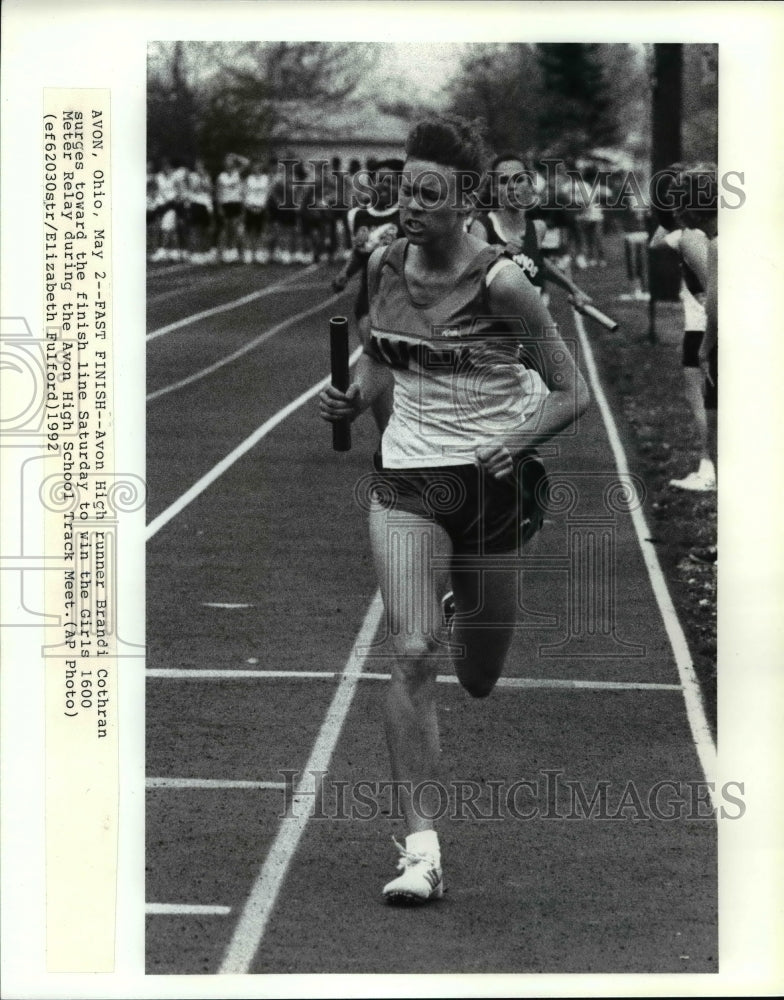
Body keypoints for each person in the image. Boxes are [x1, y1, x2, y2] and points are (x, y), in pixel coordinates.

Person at [320, 114, 590, 905]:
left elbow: (571, 391)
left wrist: (517, 436)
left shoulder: (505, 283)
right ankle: (421, 851)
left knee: (477, 674)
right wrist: (350, 398)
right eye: (404, 189)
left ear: (466, 201)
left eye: (427, 194)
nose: (409, 206)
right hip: (407, 478)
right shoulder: (381, 265)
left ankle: (457, 602)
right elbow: (378, 362)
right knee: (410, 651)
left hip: (490, 487)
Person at [650, 163, 716, 491]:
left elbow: (655, 242)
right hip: (705, 324)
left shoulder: (688, 237)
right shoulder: (701, 234)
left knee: (702, 402)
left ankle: (710, 468)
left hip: (702, 326)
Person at [331, 158, 405, 433]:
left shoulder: (408, 215)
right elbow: (360, 255)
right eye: (380, 180)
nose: (384, 186)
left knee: (403, 368)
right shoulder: (358, 216)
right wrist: (344, 274)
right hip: (370, 299)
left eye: (391, 180)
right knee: (375, 358)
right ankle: (386, 431)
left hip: (405, 301)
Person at [482, 152, 594, 311]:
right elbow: (469, 277)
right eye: (503, 181)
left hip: (531, 325)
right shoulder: (483, 226)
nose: (512, 187)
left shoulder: (537, 228)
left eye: (519, 180)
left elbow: (538, 261)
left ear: (530, 186)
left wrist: (574, 290)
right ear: (494, 190)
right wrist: (499, 256)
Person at [242, 158, 272, 264]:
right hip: (250, 207)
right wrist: (249, 207)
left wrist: (262, 207)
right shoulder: (248, 179)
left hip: (261, 208)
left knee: (261, 231)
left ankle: (259, 252)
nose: (257, 168)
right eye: (255, 166)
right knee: (249, 231)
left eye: (259, 166)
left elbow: (268, 194)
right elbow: (244, 194)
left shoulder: (266, 178)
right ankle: (248, 252)